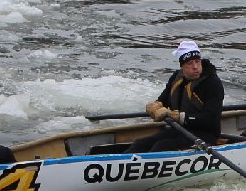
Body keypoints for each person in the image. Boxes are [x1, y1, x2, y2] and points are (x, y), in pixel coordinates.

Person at [96, 40, 224, 153]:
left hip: (206, 134)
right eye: (190, 63)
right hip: (180, 130)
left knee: (161, 146)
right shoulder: (177, 78)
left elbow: (210, 119)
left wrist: (177, 116)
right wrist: (155, 106)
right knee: (140, 144)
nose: (195, 67)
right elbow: (163, 100)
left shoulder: (213, 83)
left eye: (197, 61)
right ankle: (121, 165)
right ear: (182, 66)